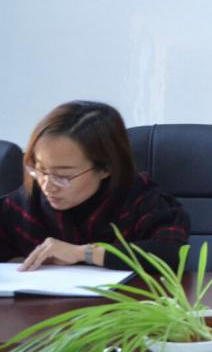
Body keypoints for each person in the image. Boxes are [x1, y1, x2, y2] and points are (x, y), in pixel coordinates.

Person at [0, 101, 190, 271]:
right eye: (39, 169)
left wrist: (83, 253)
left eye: (63, 176)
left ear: (106, 168)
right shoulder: (25, 203)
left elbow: (171, 254)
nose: (48, 186)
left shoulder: (141, 200)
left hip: (128, 300)